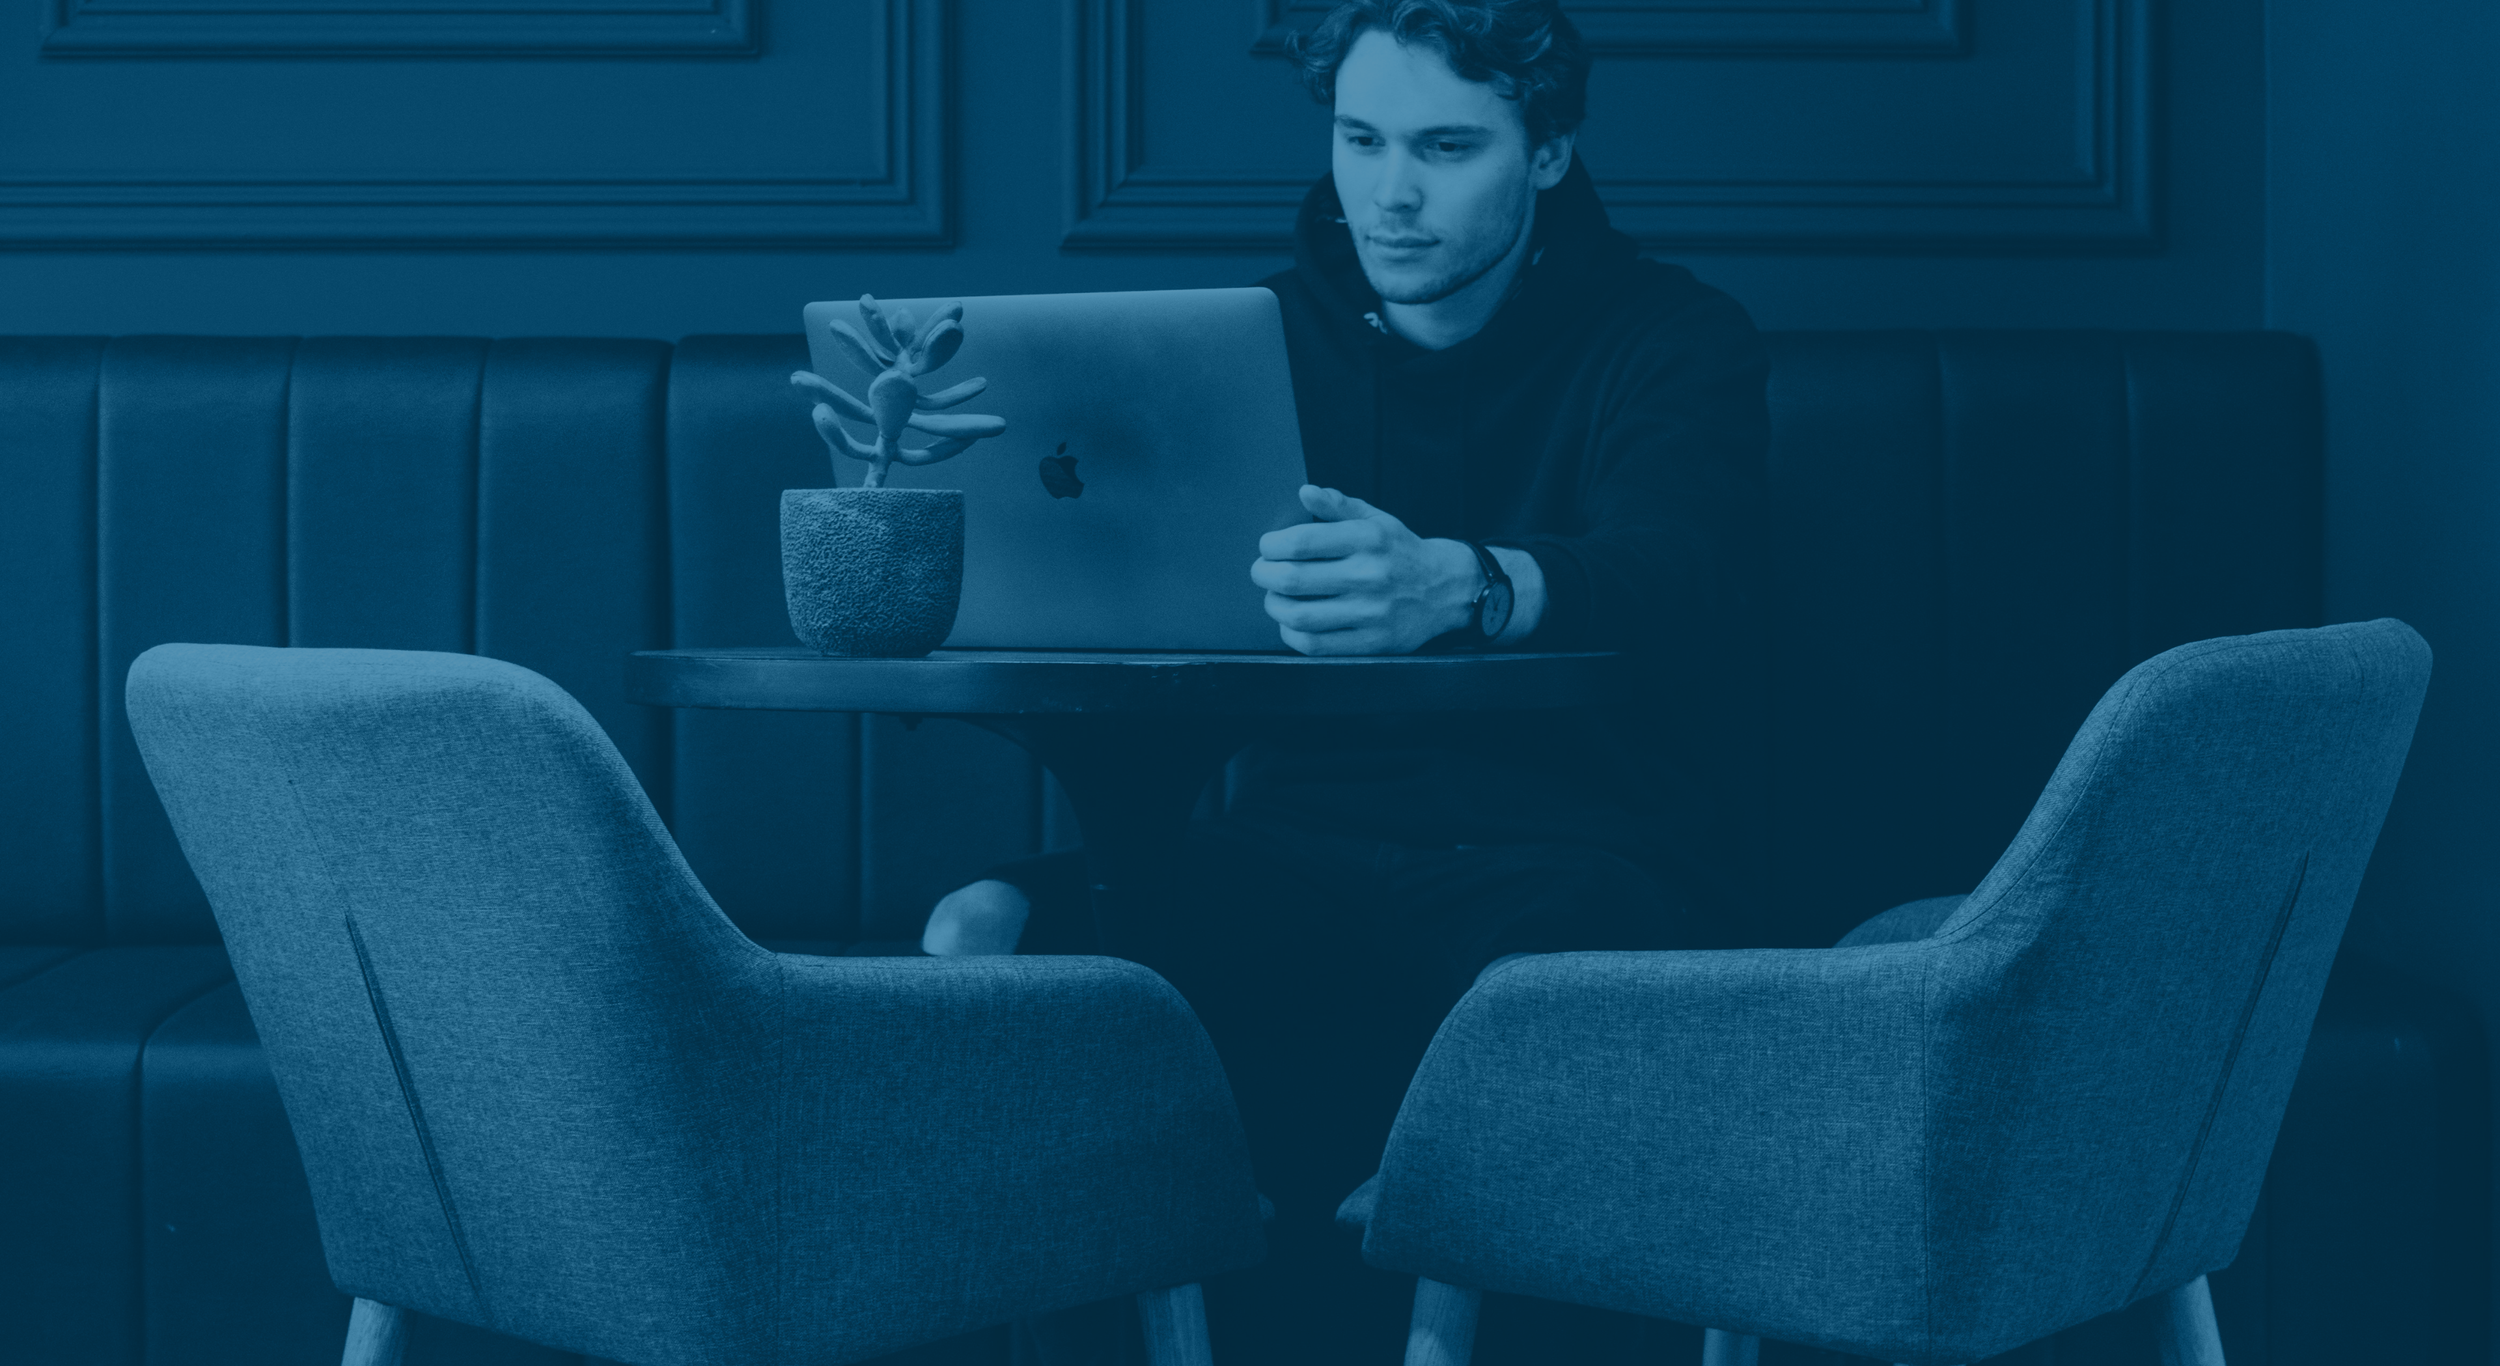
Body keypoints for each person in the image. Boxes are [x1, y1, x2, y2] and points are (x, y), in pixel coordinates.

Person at [928, 2, 1770, 1360]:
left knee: (1580, 968)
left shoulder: (1675, 339)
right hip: (1303, 846)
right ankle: (1152, 1221)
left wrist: (1465, 582)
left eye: (1446, 146)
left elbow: (1681, 570)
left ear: (1548, 150)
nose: (1391, 192)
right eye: (1359, 138)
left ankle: (1440, 1225)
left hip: (1578, 849)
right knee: (986, 921)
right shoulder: (1253, 342)